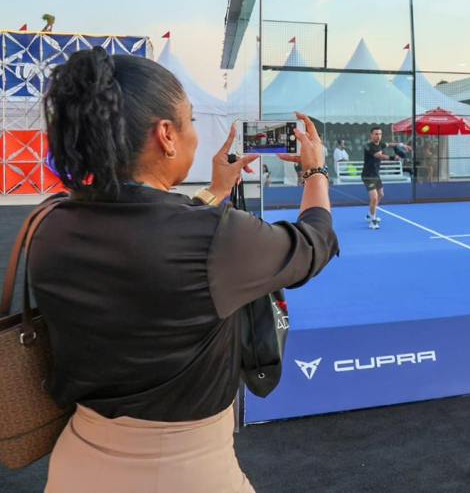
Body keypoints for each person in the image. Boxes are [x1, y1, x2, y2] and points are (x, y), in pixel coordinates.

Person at [29, 48, 338, 491]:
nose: (195, 135)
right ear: (166, 135)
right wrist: (315, 171)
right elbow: (316, 242)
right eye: (191, 121)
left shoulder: (49, 222)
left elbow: (150, 239)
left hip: (77, 462)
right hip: (184, 469)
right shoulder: (214, 237)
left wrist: (214, 191)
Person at [362, 127, 408, 229]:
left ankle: (370, 213)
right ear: (371, 135)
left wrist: (401, 145)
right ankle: (372, 220)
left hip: (376, 174)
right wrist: (393, 158)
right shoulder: (367, 146)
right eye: (376, 134)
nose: (378, 136)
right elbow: (379, 156)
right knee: (374, 198)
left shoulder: (381, 144)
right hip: (367, 175)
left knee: (381, 195)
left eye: (380, 134)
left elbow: (389, 144)